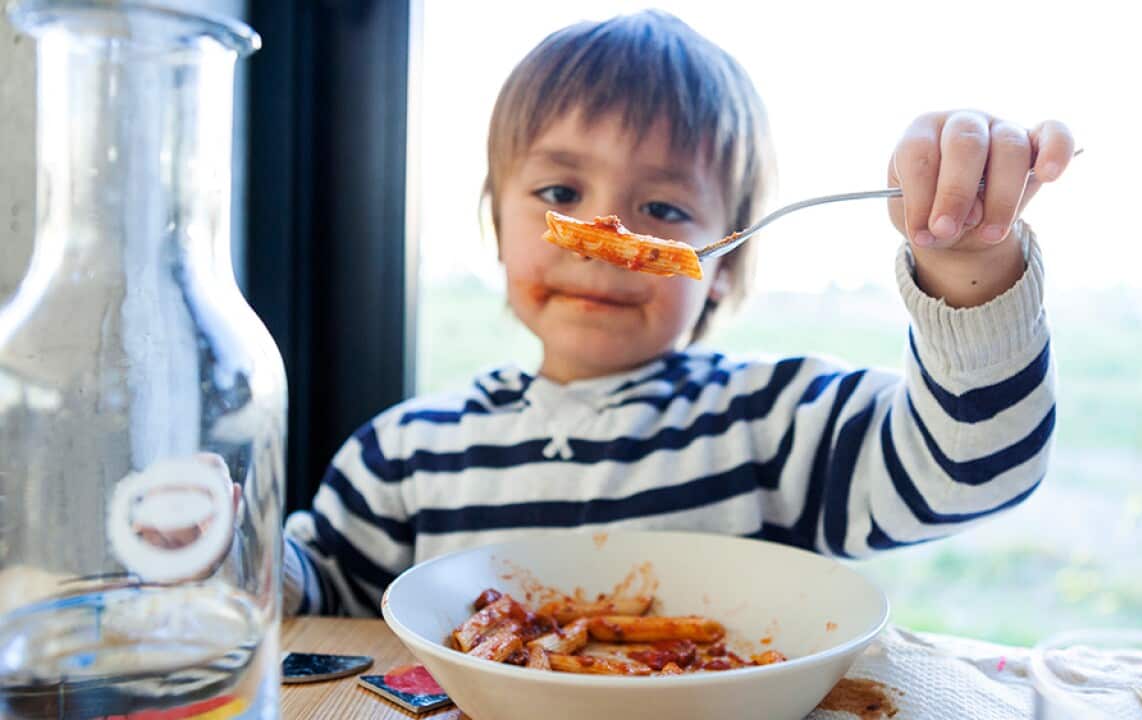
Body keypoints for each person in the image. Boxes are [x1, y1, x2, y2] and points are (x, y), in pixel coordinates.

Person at [283, 10, 1074, 615]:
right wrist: (209, 542)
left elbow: (970, 471)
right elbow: (306, 601)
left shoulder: (773, 424)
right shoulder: (404, 456)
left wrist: (968, 264)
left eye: (662, 206)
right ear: (497, 224)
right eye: (561, 195)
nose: (605, 241)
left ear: (723, 267)